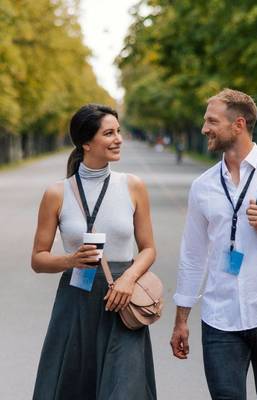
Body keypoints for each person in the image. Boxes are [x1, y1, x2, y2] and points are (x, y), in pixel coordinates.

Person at [170, 89, 257, 400]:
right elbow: (192, 255)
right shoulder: (202, 186)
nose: (204, 129)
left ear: (238, 124)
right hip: (219, 320)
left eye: (211, 121)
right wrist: (181, 320)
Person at [32, 104, 157, 400]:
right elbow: (38, 258)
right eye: (109, 133)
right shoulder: (56, 193)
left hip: (123, 301)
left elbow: (149, 248)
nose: (118, 139)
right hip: (76, 300)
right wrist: (70, 260)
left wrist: (128, 279)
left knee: (124, 389)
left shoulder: (133, 186)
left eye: (118, 132)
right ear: (86, 143)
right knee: (74, 388)